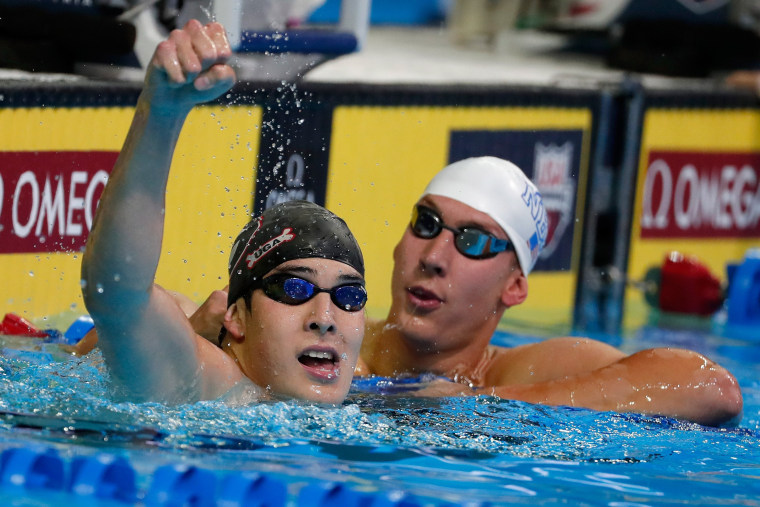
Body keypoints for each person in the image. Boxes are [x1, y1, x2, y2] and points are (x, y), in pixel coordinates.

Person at [80, 20, 367, 405]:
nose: (326, 317)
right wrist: (161, 112)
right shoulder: (206, 386)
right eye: (294, 289)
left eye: (349, 296)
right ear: (236, 316)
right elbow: (117, 293)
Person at [353, 156, 743, 427]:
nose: (434, 256)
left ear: (514, 287)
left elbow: (712, 389)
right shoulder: (337, 339)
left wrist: (481, 404)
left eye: (473, 241)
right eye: (427, 223)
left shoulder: (521, 372)